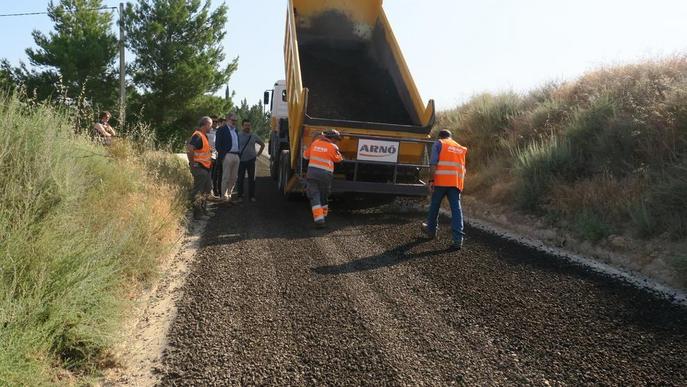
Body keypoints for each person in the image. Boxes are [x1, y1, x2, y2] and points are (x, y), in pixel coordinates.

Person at [421, 129, 468, 250]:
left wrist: (431, 181)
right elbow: (463, 169)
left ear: (440, 137)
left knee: (434, 206)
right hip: (455, 183)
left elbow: (433, 164)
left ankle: (431, 230)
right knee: (456, 210)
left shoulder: (439, 143)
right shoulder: (460, 148)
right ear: (451, 137)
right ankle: (458, 240)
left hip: (441, 182)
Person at [303, 129, 344, 228]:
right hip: (325, 175)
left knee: (314, 195)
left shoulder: (315, 143)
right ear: (332, 138)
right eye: (336, 139)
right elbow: (338, 159)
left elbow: (305, 156)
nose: (336, 141)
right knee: (324, 195)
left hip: (312, 173)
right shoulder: (333, 147)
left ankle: (319, 219)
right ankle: (323, 216)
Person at [186, 116, 214, 220]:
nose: (212, 126)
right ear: (205, 124)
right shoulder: (197, 135)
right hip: (199, 168)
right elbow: (189, 149)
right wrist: (192, 163)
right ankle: (197, 214)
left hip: (205, 168)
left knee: (206, 190)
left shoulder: (203, 135)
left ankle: (203, 211)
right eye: (210, 124)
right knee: (198, 192)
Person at [235, 119, 265, 202]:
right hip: (241, 160)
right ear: (242, 126)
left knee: (252, 179)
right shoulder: (238, 135)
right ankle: (240, 196)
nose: (247, 127)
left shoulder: (253, 136)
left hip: (251, 160)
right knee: (240, 178)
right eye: (246, 125)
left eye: (249, 125)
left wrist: (258, 155)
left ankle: (252, 196)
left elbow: (262, 144)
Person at [215, 113, 241, 203]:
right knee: (226, 177)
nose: (234, 122)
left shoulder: (235, 130)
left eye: (235, 120)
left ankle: (229, 195)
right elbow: (217, 145)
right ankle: (223, 197)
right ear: (227, 120)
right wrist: (224, 155)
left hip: (236, 155)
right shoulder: (221, 130)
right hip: (227, 155)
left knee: (234, 178)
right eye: (233, 120)